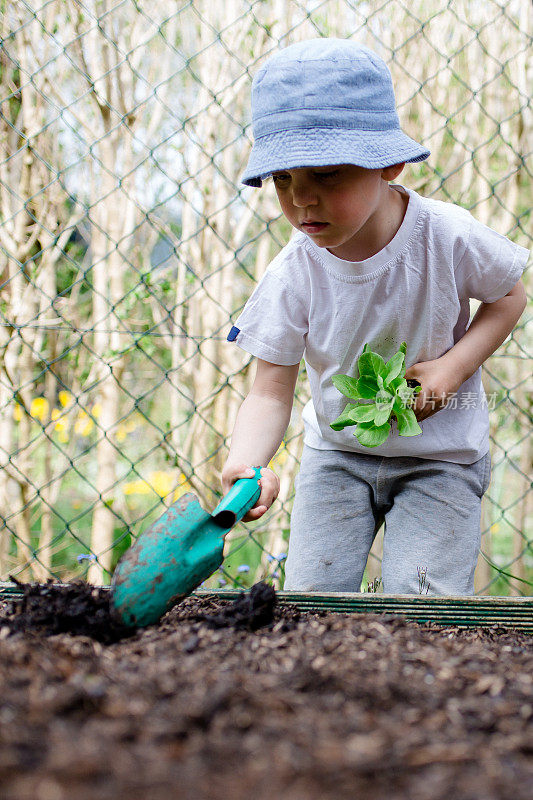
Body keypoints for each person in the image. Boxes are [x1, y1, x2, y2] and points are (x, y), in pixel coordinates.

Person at [222, 38, 528, 595]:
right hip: (336, 457)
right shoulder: (294, 271)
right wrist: (247, 463)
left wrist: (454, 367)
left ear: (388, 164)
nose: (302, 201)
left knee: (422, 605)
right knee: (311, 601)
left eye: (326, 175)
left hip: (442, 458)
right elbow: (269, 391)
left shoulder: (448, 236)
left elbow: (510, 295)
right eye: (284, 180)